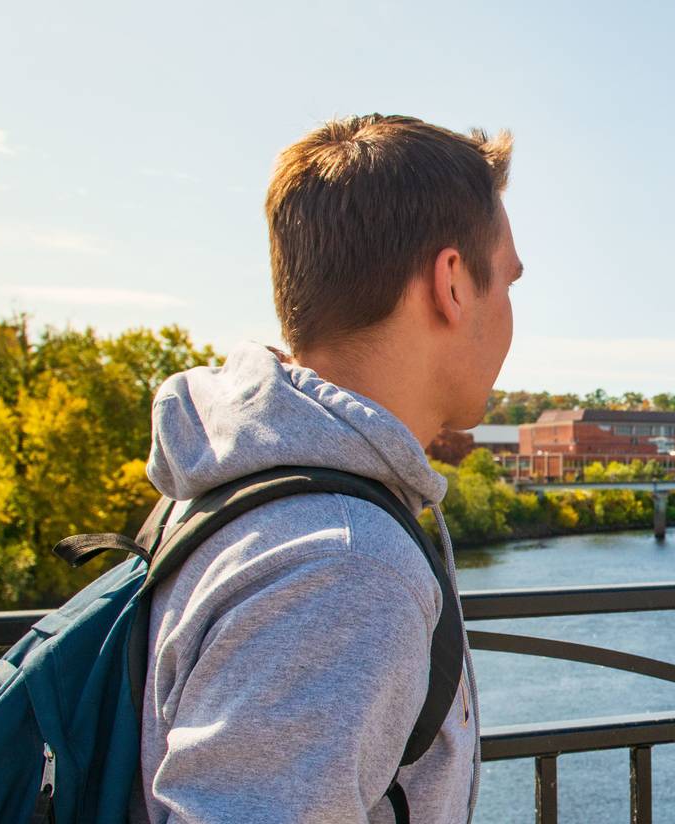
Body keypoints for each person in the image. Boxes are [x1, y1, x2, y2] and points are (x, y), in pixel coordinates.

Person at [137, 114, 519, 823]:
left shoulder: (240, 484)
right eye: (507, 282)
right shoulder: (344, 563)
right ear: (454, 282)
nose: (511, 315)